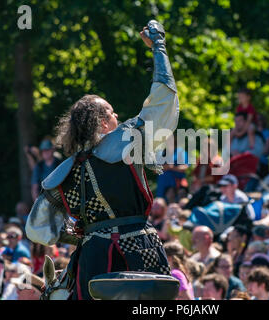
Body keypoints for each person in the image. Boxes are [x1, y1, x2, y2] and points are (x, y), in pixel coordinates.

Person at [25, 20, 179, 300]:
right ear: (102, 122)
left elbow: (37, 230)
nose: (117, 117)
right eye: (111, 113)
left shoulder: (64, 172)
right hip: (138, 250)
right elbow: (163, 103)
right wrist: (159, 48)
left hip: (93, 257)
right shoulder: (127, 142)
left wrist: (76, 234)